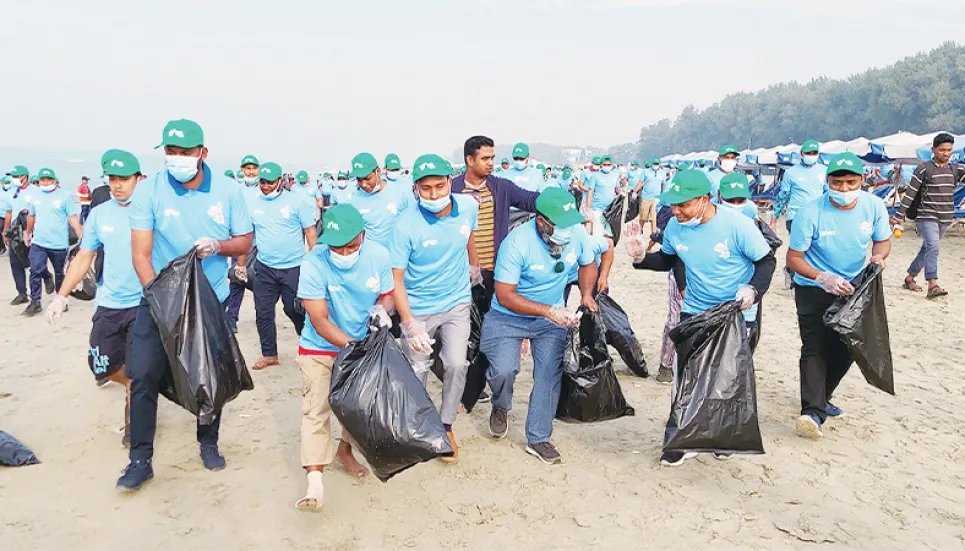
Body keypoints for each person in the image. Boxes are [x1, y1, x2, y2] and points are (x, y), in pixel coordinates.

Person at [119, 119, 254, 492]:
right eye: (170, 152)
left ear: (202, 154)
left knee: (208, 376)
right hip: (159, 298)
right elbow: (141, 254)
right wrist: (161, 301)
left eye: (184, 153)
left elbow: (244, 241)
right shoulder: (149, 192)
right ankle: (140, 459)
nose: (176, 159)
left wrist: (218, 246)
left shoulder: (227, 191)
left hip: (210, 301)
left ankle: (208, 442)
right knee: (142, 374)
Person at [628, 169, 775, 466]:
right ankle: (680, 441)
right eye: (673, 205)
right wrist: (642, 258)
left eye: (684, 204)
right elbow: (669, 259)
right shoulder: (675, 228)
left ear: (705, 199)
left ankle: (721, 436)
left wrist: (753, 291)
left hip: (737, 312)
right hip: (696, 310)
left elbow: (766, 261)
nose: (677, 211)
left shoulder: (738, 226)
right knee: (687, 376)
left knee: (727, 377)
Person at [480, 188, 599, 465]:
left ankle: (538, 437)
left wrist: (586, 294)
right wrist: (549, 311)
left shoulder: (576, 233)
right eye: (559, 225)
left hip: (551, 320)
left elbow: (588, 263)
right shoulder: (517, 243)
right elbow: (505, 294)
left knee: (548, 374)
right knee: (503, 370)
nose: (565, 232)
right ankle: (500, 404)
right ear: (542, 221)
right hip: (507, 316)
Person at [786, 152, 891, 439]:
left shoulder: (874, 206)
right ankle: (812, 411)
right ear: (827, 181)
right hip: (813, 288)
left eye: (850, 182)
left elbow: (882, 240)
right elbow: (794, 257)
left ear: (861, 181)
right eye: (837, 182)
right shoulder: (810, 212)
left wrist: (878, 258)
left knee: (848, 348)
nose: (843, 189)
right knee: (814, 347)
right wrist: (822, 277)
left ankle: (822, 397)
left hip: (854, 288)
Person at [295, 204, 393, 511]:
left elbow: (387, 293)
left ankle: (345, 450)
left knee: (356, 406)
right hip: (320, 346)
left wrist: (382, 309)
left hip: (362, 340)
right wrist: (354, 346)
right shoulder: (313, 263)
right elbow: (320, 321)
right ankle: (315, 485)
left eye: (351, 245)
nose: (344, 252)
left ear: (363, 235)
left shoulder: (378, 255)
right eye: (336, 247)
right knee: (316, 408)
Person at [46, 150, 144, 446]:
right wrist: (61, 296)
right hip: (110, 301)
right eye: (112, 179)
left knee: (138, 363)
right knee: (100, 363)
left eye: (124, 179)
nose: (117, 185)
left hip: (144, 302)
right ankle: (138, 388)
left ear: (138, 179)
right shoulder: (101, 214)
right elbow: (84, 256)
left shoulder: (150, 210)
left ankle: (135, 421)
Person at [390, 153, 479, 462]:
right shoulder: (405, 225)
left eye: (439, 187)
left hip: (456, 301)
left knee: (456, 363)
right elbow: (396, 278)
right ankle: (419, 426)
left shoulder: (468, 206)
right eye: (425, 188)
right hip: (418, 306)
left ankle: (445, 425)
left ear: (450, 183)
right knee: (416, 370)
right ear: (415, 189)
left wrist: (474, 264)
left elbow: (468, 235)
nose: (433, 194)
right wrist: (409, 322)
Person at [239, 162, 317, 371]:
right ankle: (269, 354)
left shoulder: (296, 201)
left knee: (294, 309)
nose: (265, 186)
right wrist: (240, 263)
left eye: (269, 182)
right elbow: (247, 235)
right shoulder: (252, 204)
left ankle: (309, 345)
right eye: (262, 182)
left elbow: (310, 231)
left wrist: (316, 261)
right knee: (263, 312)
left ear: (280, 181)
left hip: (294, 266)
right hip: (265, 267)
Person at [452, 136, 539, 311]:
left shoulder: (501, 187)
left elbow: (530, 200)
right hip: (460, 272)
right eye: (485, 158)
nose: (491, 163)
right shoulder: (453, 189)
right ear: (470, 160)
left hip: (495, 270)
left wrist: (556, 201)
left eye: (492, 158)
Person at [893, 132, 964, 298]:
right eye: (942, 150)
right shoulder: (924, 168)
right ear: (933, 149)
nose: (946, 153)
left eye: (949, 150)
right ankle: (932, 283)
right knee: (933, 246)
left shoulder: (955, 169)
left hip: (946, 217)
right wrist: (899, 214)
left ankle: (910, 277)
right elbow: (911, 193)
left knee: (927, 249)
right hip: (926, 215)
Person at [22, 168, 83, 316]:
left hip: (59, 244)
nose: (46, 182)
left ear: (54, 180)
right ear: (39, 181)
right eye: (43, 180)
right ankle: (35, 302)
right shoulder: (34, 196)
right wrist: (28, 233)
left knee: (60, 274)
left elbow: (72, 217)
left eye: (49, 179)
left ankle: (61, 299)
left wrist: (81, 235)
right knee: (35, 271)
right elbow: (31, 216)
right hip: (39, 242)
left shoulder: (65, 196)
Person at [225, 154, 261, 333]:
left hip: (259, 244)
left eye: (254, 168)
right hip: (239, 243)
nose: (251, 171)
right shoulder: (235, 189)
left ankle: (261, 316)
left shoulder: (264, 189)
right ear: (242, 170)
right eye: (248, 168)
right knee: (236, 280)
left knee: (259, 282)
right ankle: (231, 318)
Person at [4, 166, 49, 305]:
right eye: (13, 176)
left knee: (34, 263)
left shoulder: (35, 192)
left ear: (25, 177)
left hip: (31, 232)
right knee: (15, 263)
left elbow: (41, 211)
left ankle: (47, 276)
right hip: (14, 232)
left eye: (16, 176)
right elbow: (9, 212)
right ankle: (22, 293)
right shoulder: (11, 193)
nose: (14, 179)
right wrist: (5, 232)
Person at [346, 152, 412, 247]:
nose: (363, 184)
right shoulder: (355, 200)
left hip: (395, 252)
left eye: (367, 178)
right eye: (359, 180)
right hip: (371, 256)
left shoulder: (399, 193)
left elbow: (409, 224)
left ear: (378, 171)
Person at [773, 140, 828, 232]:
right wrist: (774, 218)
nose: (811, 155)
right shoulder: (790, 173)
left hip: (817, 217)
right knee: (797, 246)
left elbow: (828, 193)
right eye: (808, 153)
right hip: (795, 217)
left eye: (814, 153)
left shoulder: (825, 171)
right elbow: (783, 197)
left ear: (818, 154)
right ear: (801, 153)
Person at [585, 154, 622, 238]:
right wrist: (588, 208)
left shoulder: (615, 175)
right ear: (601, 165)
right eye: (604, 164)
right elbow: (590, 192)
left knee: (609, 235)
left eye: (608, 165)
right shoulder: (594, 176)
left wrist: (622, 194)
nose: (606, 166)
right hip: (598, 209)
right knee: (597, 235)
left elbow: (617, 189)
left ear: (612, 165)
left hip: (611, 210)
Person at [634, 158, 664, 236]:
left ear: (660, 164)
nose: (656, 166)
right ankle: (640, 229)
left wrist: (662, 193)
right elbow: (640, 182)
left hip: (656, 198)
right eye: (654, 164)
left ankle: (653, 233)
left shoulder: (663, 173)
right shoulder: (645, 172)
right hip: (646, 197)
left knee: (653, 217)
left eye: (657, 164)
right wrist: (634, 191)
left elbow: (663, 184)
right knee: (643, 216)